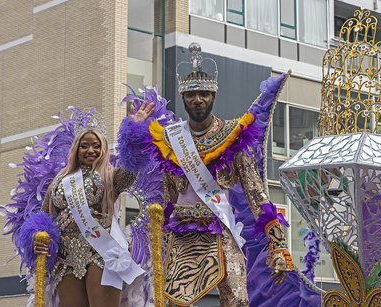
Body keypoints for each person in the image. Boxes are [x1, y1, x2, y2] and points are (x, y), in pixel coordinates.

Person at [117, 43, 293, 306]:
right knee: (173, 302)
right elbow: (158, 193)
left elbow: (257, 193)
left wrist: (278, 244)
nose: (197, 99)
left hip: (221, 230)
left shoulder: (234, 135)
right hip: (180, 236)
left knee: (238, 300)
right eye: (191, 95)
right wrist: (134, 133)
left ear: (213, 96)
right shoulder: (169, 139)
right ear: (183, 98)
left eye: (203, 94)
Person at [30, 109, 144, 307]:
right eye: (84, 146)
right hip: (65, 256)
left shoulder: (111, 176)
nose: (90, 150)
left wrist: (133, 134)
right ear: (76, 149)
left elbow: (130, 172)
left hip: (101, 251)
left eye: (96, 145)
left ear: (104, 149)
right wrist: (36, 239)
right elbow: (43, 217)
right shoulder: (59, 180)